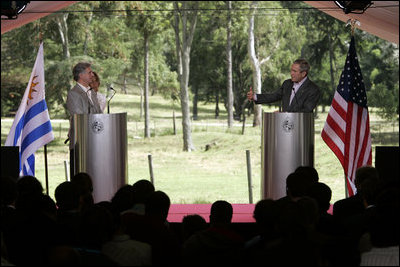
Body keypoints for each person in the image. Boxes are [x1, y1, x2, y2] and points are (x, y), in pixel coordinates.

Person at [66, 62, 102, 176]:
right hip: (81, 144)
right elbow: (80, 118)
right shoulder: (74, 93)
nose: (92, 75)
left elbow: (99, 114)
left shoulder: (92, 92)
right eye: (89, 72)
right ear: (81, 75)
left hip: (95, 142)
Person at [247, 58, 321, 112]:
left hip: (301, 127)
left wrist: (283, 114)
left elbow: (306, 110)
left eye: (294, 71)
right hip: (284, 126)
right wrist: (255, 96)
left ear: (303, 73)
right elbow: (274, 96)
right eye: (291, 70)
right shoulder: (287, 84)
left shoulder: (313, 89)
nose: (291, 73)